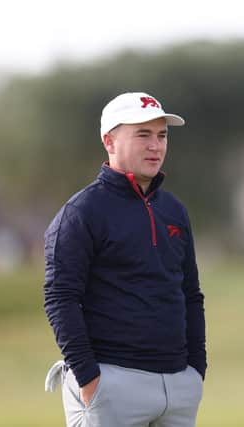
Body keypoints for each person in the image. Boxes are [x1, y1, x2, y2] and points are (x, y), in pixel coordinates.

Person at [44, 92, 206, 427]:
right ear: (110, 141)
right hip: (110, 383)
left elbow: (191, 293)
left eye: (162, 135)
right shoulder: (82, 212)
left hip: (177, 385)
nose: (155, 146)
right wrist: (89, 378)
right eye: (143, 135)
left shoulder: (173, 209)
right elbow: (60, 298)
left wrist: (196, 370)